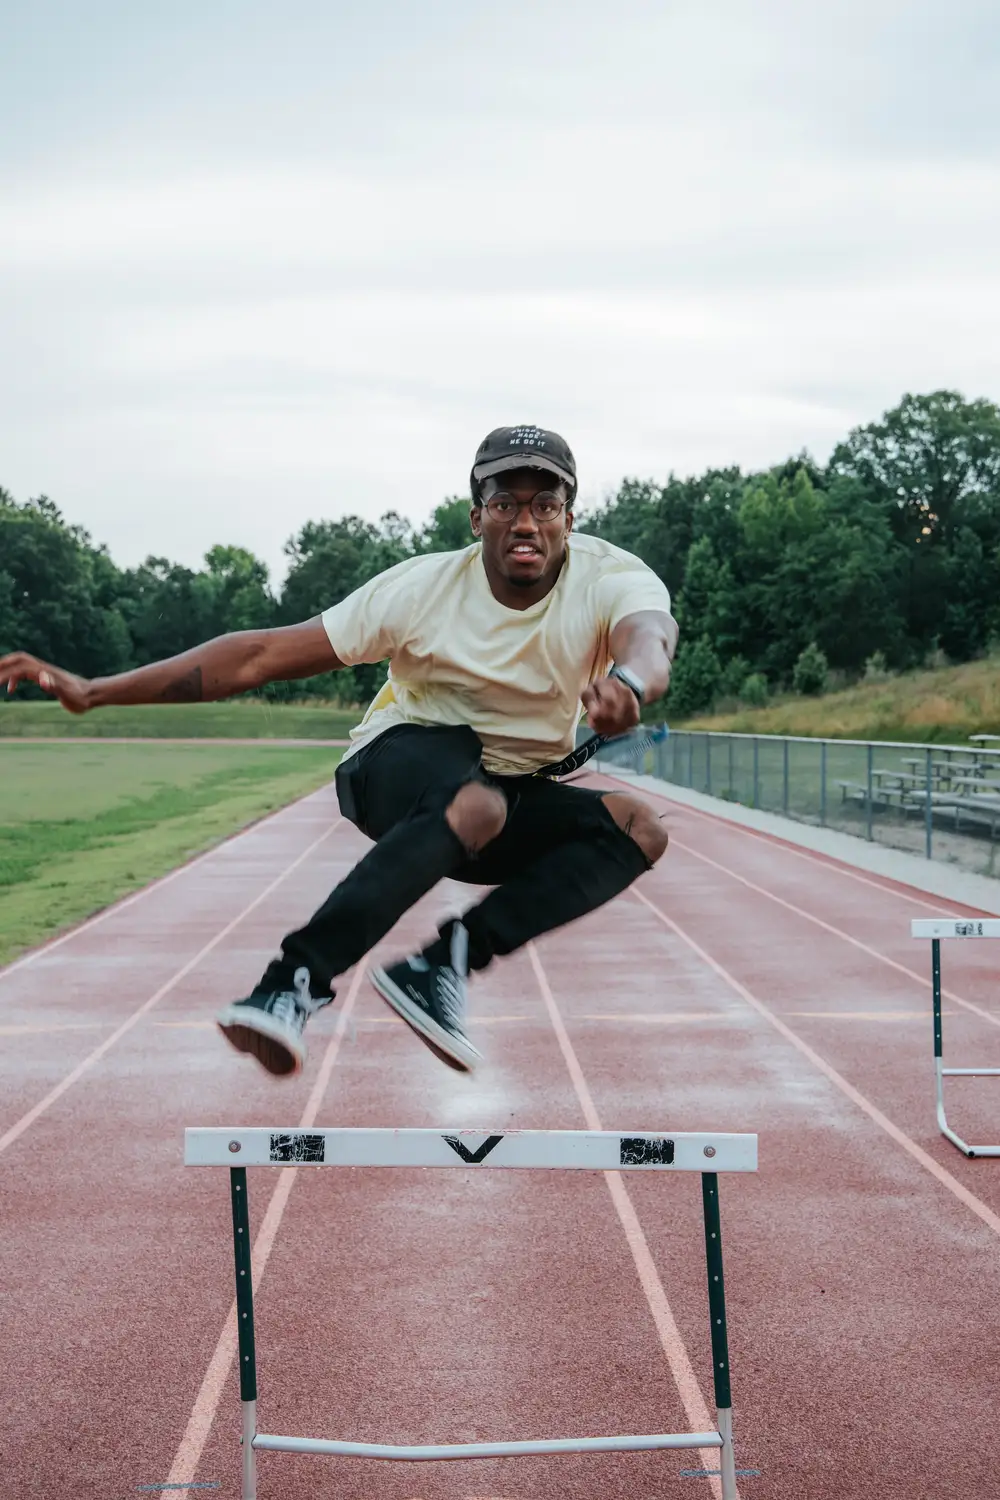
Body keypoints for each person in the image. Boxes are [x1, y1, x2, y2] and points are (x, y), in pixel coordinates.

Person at [0, 425, 677, 1078]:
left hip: (499, 798)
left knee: (635, 828)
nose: (526, 522)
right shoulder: (421, 590)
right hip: (394, 765)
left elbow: (650, 639)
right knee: (472, 797)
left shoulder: (610, 577)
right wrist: (96, 691)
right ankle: (288, 985)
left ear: (569, 518)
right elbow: (258, 657)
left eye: (545, 506)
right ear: (477, 517)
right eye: (506, 504)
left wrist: (629, 683)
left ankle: (443, 965)